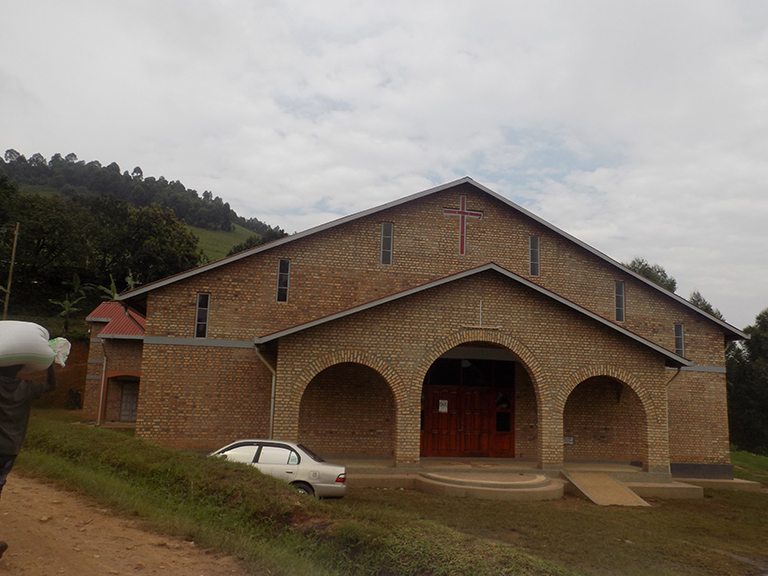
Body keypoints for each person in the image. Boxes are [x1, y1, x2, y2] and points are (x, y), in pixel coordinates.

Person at [0, 363, 57, 559]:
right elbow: (51, 386)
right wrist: (50, 365)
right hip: (10, 448)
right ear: (18, 369)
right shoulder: (27, 387)